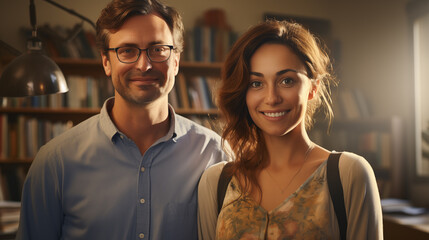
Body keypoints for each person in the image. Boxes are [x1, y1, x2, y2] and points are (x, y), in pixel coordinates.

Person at [16, 0, 225, 239]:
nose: (144, 65)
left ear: (175, 61)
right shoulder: (55, 163)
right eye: (127, 50)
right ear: (106, 62)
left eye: (158, 49)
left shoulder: (213, 155)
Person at [197, 20, 383, 240]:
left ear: (313, 87)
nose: (272, 98)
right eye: (256, 83)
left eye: (286, 80)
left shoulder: (348, 174)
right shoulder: (216, 182)